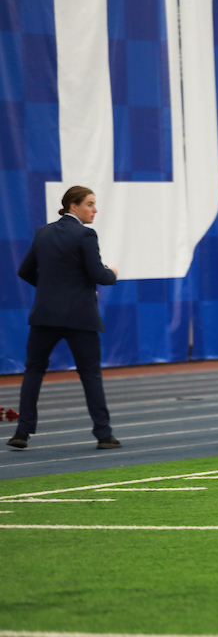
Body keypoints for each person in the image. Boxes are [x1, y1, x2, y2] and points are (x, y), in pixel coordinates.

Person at [10, 187, 121, 451]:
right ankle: (103, 435)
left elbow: (25, 271)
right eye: (90, 204)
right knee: (90, 375)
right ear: (74, 206)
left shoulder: (43, 233)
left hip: (45, 315)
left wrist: (50, 290)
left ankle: (22, 433)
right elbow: (98, 274)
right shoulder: (85, 234)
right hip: (80, 317)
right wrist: (112, 273)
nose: (94, 210)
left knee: (33, 371)